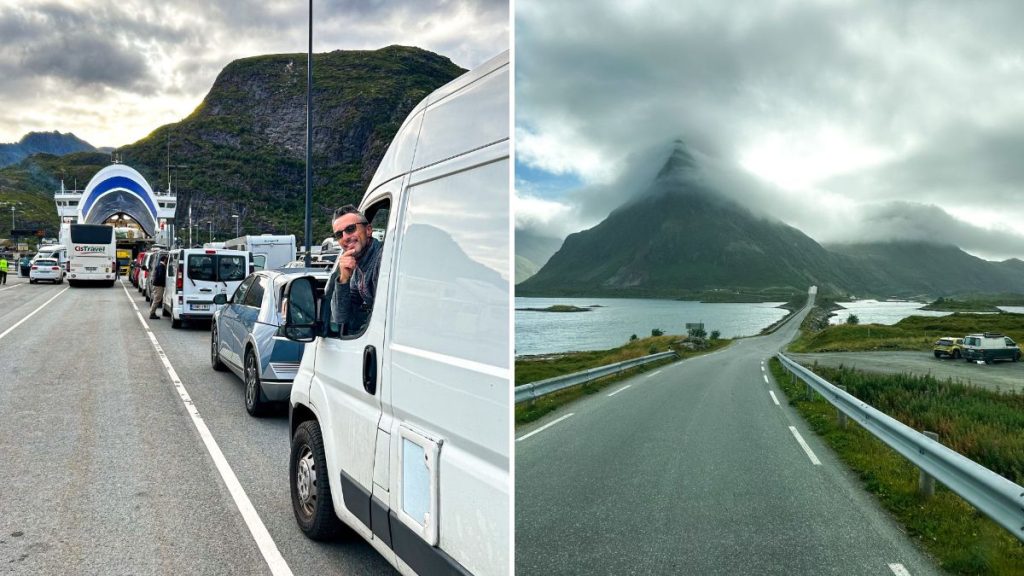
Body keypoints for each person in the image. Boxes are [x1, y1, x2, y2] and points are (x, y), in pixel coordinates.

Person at [325, 205, 383, 335]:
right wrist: (343, 278)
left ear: (368, 230)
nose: (345, 237)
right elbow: (341, 317)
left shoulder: (382, 260)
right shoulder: (357, 269)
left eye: (350, 229)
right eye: (339, 234)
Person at [149, 254, 167, 320]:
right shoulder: (161, 267)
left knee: (156, 299)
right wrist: (164, 282)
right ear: (164, 260)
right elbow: (160, 276)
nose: (167, 261)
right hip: (158, 285)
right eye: (166, 260)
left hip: (157, 285)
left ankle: (152, 312)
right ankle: (152, 313)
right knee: (157, 299)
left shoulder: (159, 266)